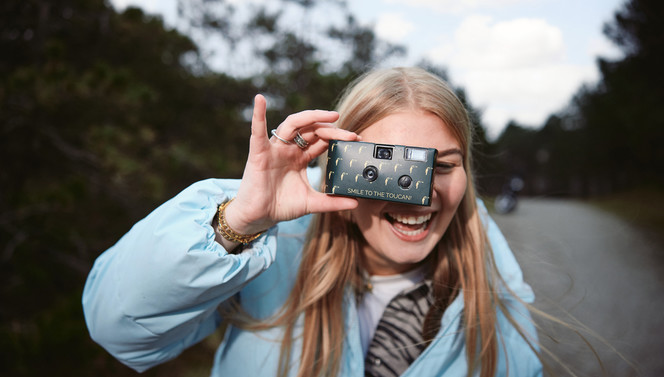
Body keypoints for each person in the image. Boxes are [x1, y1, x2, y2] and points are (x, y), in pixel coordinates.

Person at [82, 67, 542, 376]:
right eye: (387, 169)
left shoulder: (497, 306)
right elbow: (119, 331)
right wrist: (238, 222)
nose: (419, 195)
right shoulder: (273, 252)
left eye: (441, 167)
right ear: (341, 166)